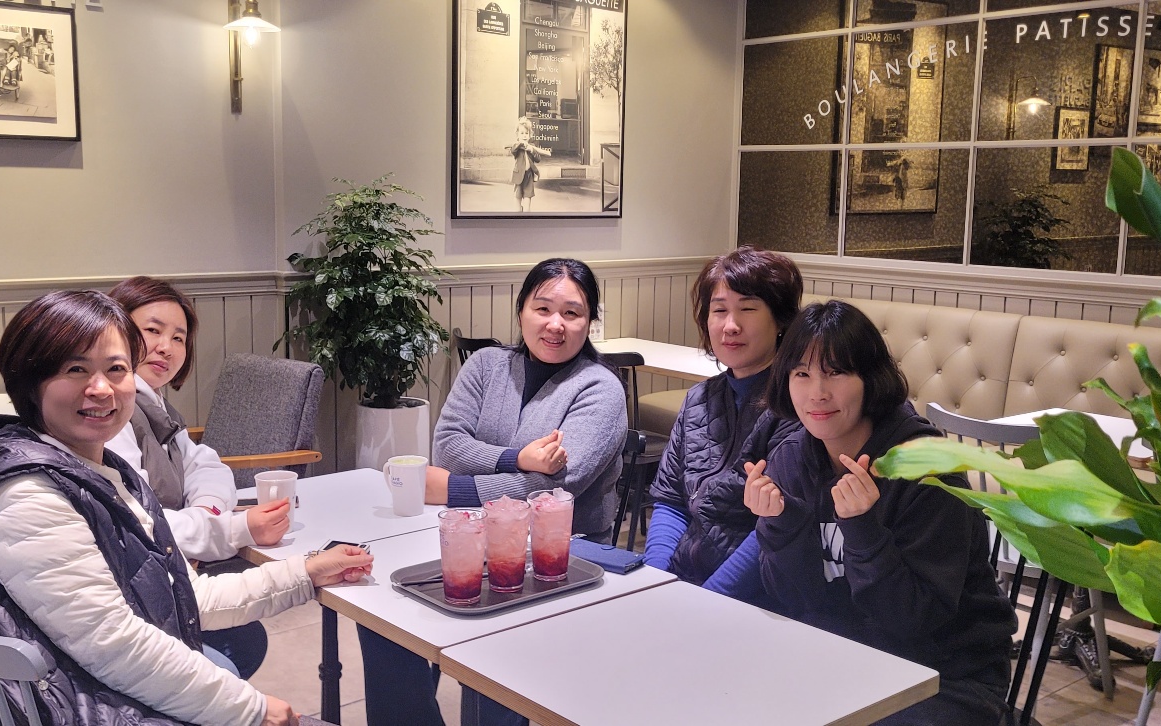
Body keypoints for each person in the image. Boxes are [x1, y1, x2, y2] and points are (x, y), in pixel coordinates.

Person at [0, 290, 372, 726]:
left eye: (116, 369)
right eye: (75, 369)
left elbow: (184, 596)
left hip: (104, 692)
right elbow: (116, 645)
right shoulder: (26, 496)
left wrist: (305, 572)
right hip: (91, 705)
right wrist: (251, 709)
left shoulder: (100, 472)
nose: (101, 388)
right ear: (30, 382)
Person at [360, 258, 628, 726]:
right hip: (466, 544)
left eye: (572, 313)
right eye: (542, 308)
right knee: (381, 617)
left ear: (590, 321)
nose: (555, 324)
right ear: (521, 310)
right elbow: (449, 445)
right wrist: (518, 458)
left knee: (492, 663)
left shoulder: (601, 389)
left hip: (557, 565)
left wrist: (453, 490)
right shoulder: (486, 365)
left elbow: (557, 488)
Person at [744, 301, 1016, 725]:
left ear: (871, 380)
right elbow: (794, 600)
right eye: (801, 374)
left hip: (947, 674)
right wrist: (780, 527)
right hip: (842, 655)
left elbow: (914, 621)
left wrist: (863, 531)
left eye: (836, 372)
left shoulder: (924, 470)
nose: (817, 392)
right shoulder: (790, 461)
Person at [104, 275, 294, 679]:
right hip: (127, 603)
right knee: (237, 646)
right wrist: (236, 528)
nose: (166, 347)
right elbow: (140, 527)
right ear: (113, 331)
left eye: (179, 337)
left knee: (245, 637)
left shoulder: (156, 407)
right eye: (152, 330)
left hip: (159, 579)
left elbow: (206, 465)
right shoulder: (112, 414)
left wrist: (207, 513)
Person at [643, 246, 802, 606]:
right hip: (684, 582)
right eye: (719, 310)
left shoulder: (797, 407)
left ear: (780, 321)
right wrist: (654, 581)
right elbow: (670, 500)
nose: (731, 325)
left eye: (748, 309)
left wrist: (706, 603)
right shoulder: (699, 398)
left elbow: (774, 529)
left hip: (754, 599)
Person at [508, 116, 550, 212]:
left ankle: (526, 213)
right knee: (517, 202)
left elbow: (538, 159)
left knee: (527, 203)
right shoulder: (516, 147)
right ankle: (519, 211)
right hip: (518, 176)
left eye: (526, 133)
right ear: (517, 135)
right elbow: (513, 151)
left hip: (528, 176)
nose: (524, 136)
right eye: (522, 133)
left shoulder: (532, 147)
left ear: (530, 135)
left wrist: (531, 150)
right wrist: (520, 144)